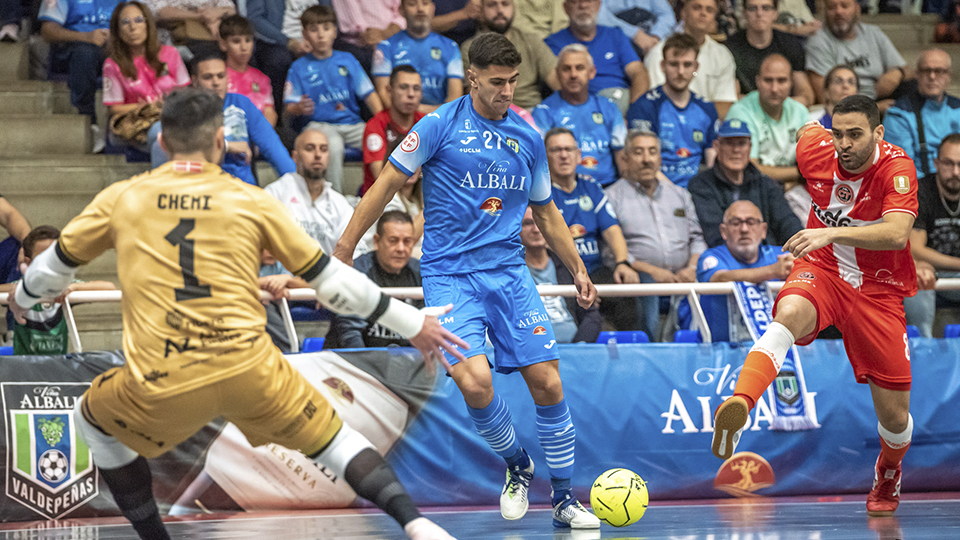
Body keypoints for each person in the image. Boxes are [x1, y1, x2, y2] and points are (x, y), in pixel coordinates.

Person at [9, 87, 463, 540]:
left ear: (162, 143)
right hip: (249, 367)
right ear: (220, 144)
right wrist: (413, 323)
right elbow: (334, 284)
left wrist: (23, 299)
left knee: (91, 418)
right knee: (337, 441)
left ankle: (154, 537)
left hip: (164, 374)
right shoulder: (252, 200)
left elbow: (51, 270)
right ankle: (416, 522)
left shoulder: (123, 198)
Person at [332, 32, 601, 529]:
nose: (507, 91)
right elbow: (386, 184)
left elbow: (547, 213)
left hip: (509, 273)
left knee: (548, 382)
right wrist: (346, 247)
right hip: (449, 275)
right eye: (497, 82)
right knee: (474, 383)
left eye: (514, 81)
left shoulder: (528, 137)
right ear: (472, 76)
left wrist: (579, 270)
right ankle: (518, 466)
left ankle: (564, 498)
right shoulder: (437, 125)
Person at [710, 95, 919, 519]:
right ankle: (740, 404)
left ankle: (888, 471)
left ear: (878, 134)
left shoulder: (897, 168)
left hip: (878, 291)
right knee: (786, 315)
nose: (844, 143)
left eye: (856, 135)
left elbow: (898, 234)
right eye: (838, 133)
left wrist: (830, 234)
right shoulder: (814, 146)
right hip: (822, 272)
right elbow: (808, 128)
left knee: (896, 421)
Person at [605, 130, 706, 341]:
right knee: (645, 284)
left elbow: (697, 238)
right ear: (625, 158)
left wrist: (692, 267)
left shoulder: (680, 195)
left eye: (652, 152)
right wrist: (653, 272)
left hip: (684, 278)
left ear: (660, 159)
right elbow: (610, 252)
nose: (646, 160)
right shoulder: (611, 197)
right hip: (642, 282)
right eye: (638, 152)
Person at [545, 127, 640, 332]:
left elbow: (611, 228)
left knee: (626, 290)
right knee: (577, 305)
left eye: (569, 149)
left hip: (594, 269)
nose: (563, 155)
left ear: (578, 155)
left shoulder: (590, 186)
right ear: (545, 155)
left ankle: (634, 352)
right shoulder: (540, 191)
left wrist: (622, 262)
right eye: (556, 150)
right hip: (560, 270)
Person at [152, 51, 295, 186]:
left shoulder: (242, 104)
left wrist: (298, 186)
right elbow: (185, 152)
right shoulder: (184, 109)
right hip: (200, 190)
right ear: (194, 81)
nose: (216, 82)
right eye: (208, 77)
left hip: (241, 190)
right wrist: (228, 146)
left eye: (221, 76)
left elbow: (274, 149)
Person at [285, 5, 383, 193]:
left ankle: (380, 196)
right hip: (318, 126)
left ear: (335, 32)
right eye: (314, 30)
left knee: (377, 138)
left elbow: (369, 94)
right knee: (333, 145)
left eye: (326, 28)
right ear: (305, 34)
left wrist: (383, 122)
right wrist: (297, 108)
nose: (321, 35)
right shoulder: (299, 67)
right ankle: (335, 199)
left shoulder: (348, 60)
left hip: (352, 124)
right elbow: (289, 107)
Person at [0, 226, 115, 355]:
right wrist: (19, 290)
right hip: (25, 366)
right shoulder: (19, 287)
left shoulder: (66, 286)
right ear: (29, 262)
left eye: (55, 259)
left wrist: (73, 288)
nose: (50, 265)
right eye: (42, 259)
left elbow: (110, 287)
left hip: (58, 365)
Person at [688, 119, 802, 248]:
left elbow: (787, 222)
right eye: (729, 143)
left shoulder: (765, 183)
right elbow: (715, 234)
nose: (736, 150)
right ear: (716, 147)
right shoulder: (701, 185)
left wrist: (797, 248)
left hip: (770, 254)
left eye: (742, 144)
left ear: (750, 147)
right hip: (727, 260)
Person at [627, 33, 718, 188]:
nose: (681, 72)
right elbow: (642, 162)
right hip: (654, 188)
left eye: (687, 65)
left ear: (696, 67)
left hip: (699, 190)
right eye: (674, 64)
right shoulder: (645, 107)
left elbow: (712, 159)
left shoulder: (706, 108)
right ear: (663, 66)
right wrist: (675, 194)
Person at [696, 201, 795, 342]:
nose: (744, 229)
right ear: (723, 231)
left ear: (763, 230)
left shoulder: (780, 255)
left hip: (776, 348)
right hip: (719, 352)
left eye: (751, 222)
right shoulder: (711, 257)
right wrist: (772, 271)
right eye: (736, 223)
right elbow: (720, 278)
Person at [325, 211, 425, 349]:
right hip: (352, 362)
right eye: (393, 241)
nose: (401, 248)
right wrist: (365, 368)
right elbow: (349, 333)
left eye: (407, 241)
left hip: (403, 363)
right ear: (377, 241)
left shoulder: (421, 274)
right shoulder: (358, 271)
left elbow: (425, 329)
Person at [532, 44, 627, 187]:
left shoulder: (609, 107)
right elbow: (539, 162)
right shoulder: (543, 112)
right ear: (557, 73)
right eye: (566, 69)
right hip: (564, 188)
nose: (573, 75)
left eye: (580, 68)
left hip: (609, 187)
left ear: (592, 72)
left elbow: (623, 156)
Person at [103, 1, 190, 150]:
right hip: (138, 123)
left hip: (173, 117)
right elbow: (115, 108)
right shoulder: (112, 64)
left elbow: (185, 93)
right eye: (125, 22)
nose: (133, 27)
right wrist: (149, 107)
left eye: (138, 20)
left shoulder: (170, 54)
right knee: (161, 135)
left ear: (148, 25)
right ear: (117, 30)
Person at [39, 0, 120, 152]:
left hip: (114, 47)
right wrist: (86, 37)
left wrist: (117, 40)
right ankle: (90, 122)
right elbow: (48, 31)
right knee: (85, 53)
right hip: (72, 48)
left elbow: (140, 20)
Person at [544, 0, 649, 115]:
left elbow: (638, 72)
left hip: (623, 102)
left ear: (599, 5)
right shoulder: (552, 44)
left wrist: (635, 109)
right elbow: (557, 84)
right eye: (574, 2)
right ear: (565, 8)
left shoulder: (615, 35)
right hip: (581, 110)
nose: (583, 5)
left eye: (588, 1)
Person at [903, 134, 960, 338]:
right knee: (918, 280)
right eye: (948, 163)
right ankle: (924, 350)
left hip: (955, 276)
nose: (955, 172)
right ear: (936, 163)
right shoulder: (920, 191)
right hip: (928, 271)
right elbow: (916, 249)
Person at [265, 128, 355, 256]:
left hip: (328, 273)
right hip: (284, 273)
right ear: (295, 156)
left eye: (323, 149)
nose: (318, 155)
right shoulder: (275, 194)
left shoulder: (340, 204)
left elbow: (352, 251)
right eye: (310, 148)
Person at [805, 0, 909, 108]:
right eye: (832, 7)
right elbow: (824, 96)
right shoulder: (818, 41)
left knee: (912, 86)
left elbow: (909, 70)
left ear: (857, 10)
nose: (839, 12)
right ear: (824, 12)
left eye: (845, 6)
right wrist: (875, 108)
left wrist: (898, 73)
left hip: (880, 95)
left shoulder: (873, 33)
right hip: (846, 105)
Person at [644, 0, 738, 119]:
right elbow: (656, 100)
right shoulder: (659, 52)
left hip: (708, 129)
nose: (703, 13)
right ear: (683, 13)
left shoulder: (722, 55)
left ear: (714, 17)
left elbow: (725, 105)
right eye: (697, 8)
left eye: (709, 10)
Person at [725, 54, 809, 188]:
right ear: (757, 81)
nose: (774, 89)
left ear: (791, 82)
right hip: (751, 187)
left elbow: (813, 162)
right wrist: (800, 174)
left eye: (781, 81)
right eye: (768, 80)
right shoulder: (741, 112)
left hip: (793, 186)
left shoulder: (800, 112)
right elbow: (748, 168)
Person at [521, 206, 602, 343]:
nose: (536, 229)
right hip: (534, 352)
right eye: (528, 223)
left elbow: (591, 315)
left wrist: (579, 347)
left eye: (539, 222)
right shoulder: (512, 271)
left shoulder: (567, 265)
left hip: (574, 350)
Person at [460, 0, 559, 111]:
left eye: (505, 4)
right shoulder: (470, 47)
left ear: (514, 8)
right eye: (492, 5)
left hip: (533, 112)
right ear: (481, 10)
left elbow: (556, 80)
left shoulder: (531, 41)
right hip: (492, 114)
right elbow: (474, 95)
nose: (500, 10)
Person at [372, 0, 464, 112]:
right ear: (401, 10)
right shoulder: (385, 47)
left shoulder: (451, 47)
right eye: (412, 4)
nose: (420, 9)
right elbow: (384, 95)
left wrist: (425, 115)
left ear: (433, 8)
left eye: (425, 3)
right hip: (401, 121)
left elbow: (454, 100)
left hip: (440, 122)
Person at [883, 49, 960, 180]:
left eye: (939, 71)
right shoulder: (898, 113)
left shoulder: (958, 108)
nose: (932, 77)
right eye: (926, 71)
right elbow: (900, 168)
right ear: (917, 74)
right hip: (920, 189)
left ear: (949, 76)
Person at [724, 0, 814, 106]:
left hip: (784, 113)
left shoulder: (790, 44)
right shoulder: (729, 48)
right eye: (753, 8)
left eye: (765, 8)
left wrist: (777, 106)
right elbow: (728, 99)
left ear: (775, 13)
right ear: (744, 13)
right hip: (745, 114)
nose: (759, 14)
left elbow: (807, 96)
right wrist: (769, 105)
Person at [363, 66, 426, 196]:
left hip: (418, 200)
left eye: (416, 88)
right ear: (389, 90)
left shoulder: (427, 123)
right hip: (382, 203)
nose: (411, 94)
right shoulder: (375, 125)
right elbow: (381, 178)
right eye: (403, 87)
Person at [219, 15, 277, 126]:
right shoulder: (219, 76)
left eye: (248, 40)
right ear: (223, 44)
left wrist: (263, 137)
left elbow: (269, 112)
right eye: (236, 41)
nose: (244, 47)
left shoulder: (261, 78)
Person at [330, 0, 406, 70]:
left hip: (393, 36)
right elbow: (355, 24)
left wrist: (386, 33)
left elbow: (403, 13)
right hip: (359, 45)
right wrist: (376, 36)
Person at [596, 0, 676, 55]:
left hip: (650, 38)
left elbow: (667, 16)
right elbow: (599, 16)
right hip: (616, 38)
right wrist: (635, 34)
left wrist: (655, 37)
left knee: (658, 54)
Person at [809, 64, 859, 129]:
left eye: (851, 82)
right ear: (826, 92)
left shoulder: (868, 124)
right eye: (838, 81)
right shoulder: (811, 121)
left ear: (857, 93)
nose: (845, 86)